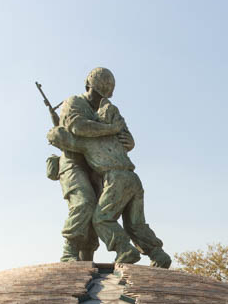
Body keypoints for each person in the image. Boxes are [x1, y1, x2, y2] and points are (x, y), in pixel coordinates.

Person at [48, 97, 171, 268]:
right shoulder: (114, 139)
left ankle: (125, 249)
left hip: (116, 179)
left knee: (101, 219)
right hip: (132, 179)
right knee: (135, 223)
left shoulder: (88, 140)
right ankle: (158, 254)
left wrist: (54, 133)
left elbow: (68, 135)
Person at [52, 67, 128, 261]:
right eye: (96, 93)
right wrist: (110, 129)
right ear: (88, 86)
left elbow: (124, 141)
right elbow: (77, 126)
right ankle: (69, 252)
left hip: (96, 167)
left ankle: (86, 260)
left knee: (97, 214)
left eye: (102, 95)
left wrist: (123, 137)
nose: (98, 98)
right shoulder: (74, 102)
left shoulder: (106, 109)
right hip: (73, 163)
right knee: (84, 203)